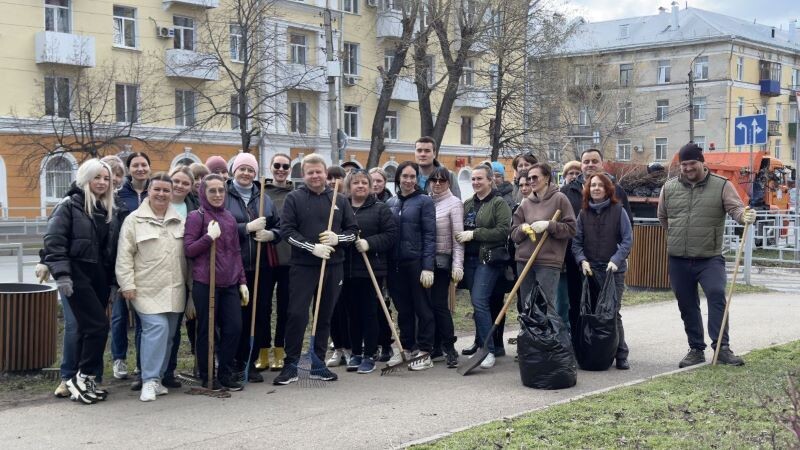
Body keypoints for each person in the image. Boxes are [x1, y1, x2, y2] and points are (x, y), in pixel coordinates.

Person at [657, 143, 756, 368]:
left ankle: (722, 348)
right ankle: (696, 349)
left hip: (709, 257)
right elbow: (663, 216)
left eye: (692, 163)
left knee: (716, 294)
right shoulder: (669, 188)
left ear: (702, 163)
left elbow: (736, 209)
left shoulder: (722, 185)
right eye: (684, 164)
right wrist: (677, 235)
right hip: (678, 258)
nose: (688, 168)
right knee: (687, 304)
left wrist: (744, 216)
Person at [273, 154, 358, 385]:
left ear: (325, 173)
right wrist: (312, 247)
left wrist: (337, 238)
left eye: (318, 171)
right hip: (303, 267)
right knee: (296, 314)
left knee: (324, 316)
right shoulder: (294, 198)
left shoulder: (339, 199)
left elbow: (353, 232)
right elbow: (287, 231)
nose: (315, 176)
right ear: (303, 175)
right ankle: (291, 365)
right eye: (310, 172)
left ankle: (318, 364)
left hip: (333, 266)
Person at [43, 158, 119, 404]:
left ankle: (86, 379)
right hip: (77, 274)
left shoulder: (107, 208)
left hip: (99, 277)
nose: (102, 182)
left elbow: (110, 249)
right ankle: (80, 377)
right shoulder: (69, 205)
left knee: (92, 329)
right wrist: (62, 275)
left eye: (106, 178)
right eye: (97, 177)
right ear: (86, 178)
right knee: (97, 326)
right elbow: (54, 241)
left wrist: (112, 281)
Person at [116, 173, 188, 401]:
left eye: (166, 190)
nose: (161, 194)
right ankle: (148, 380)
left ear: (172, 193)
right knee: (156, 329)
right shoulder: (134, 220)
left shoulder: (179, 220)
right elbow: (124, 256)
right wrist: (127, 284)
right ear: (149, 191)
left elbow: (188, 258)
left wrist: (192, 291)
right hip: (145, 289)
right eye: (157, 189)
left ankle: (158, 379)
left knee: (169, 336)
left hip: (175, 289)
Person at [561, 148, 633, 347]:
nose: (590, 165)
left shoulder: (618, 200)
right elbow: (573, 237)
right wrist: (580, 259)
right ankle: (585, 348)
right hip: (584, 266)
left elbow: (627, 234)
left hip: (611, 266)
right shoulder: (571, 197)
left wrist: (619, 257)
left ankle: (616, 351)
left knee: (611, 311)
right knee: (583, 308)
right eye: (586, 161)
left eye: (594, 161)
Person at [184, 174, 248, 391]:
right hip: (205, 282)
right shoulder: (197, 217)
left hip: (229, 283)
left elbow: (236, 252)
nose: (218, 194)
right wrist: (208, 237)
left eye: (221, 190)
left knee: (234, 328)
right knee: (207, 330)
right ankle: (207, 374)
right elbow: (189, 249)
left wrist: (242, 281)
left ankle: (225, 372)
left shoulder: (229, 218)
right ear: (203, 192)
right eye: (212, 190)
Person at [224, 152, 280, 383]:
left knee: (258, 314)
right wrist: (245, 228)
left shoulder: (264, 198)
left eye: (250, 170)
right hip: (232, 266)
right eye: (242, 169)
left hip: (260, 267)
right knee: (234, 316)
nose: (246, 173)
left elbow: (279, 226)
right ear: (234, 171)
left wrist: (272, 234)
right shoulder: (224, 195)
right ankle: (232, 362)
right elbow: (218, 226)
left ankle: (250, 361)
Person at [572, 173, 632, 370]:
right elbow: (576, 242)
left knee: (612, 312)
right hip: (590, 271)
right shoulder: (583, 214)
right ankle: (596, 351)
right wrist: (581, 260)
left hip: (613, 271)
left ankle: (621, 354)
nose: (596, 188)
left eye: (600, 185)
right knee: (592, 312)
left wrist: (616, 260)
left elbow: (627, 240)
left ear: (607, 189)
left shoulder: (618, 211)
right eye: (593, 185)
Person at [456, 164, 511, 370]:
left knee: (480, 301)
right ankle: (481, 344)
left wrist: (475, 234)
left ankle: (488, 350)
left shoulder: (498, 203)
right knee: (477, 303)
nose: (476, 182)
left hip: (488, 260)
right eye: (473, 179)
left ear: (490, 180)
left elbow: (503, 231)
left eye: (480, 178)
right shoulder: (468, 203)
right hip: (469, 260)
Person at [342, 169, 398, 374]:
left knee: (369, 312)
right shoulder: (343, 207)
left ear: (370, 186)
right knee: (352, 313)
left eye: (364, 183)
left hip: (371, 270)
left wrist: (369, 243)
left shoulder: (380, 208)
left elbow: (391, 235)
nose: (360, 186)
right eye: (356, 183)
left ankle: (369, 354)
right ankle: (356, 352)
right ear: (349, 186)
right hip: (346, 269)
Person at [385, 161, 437, 370]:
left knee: (423, 308)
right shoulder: (391, 202)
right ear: (398, 178)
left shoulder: (425, 201)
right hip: (395, 264)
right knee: (403, 309)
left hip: (416, 262)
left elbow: (430, 235)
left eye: (412, 176)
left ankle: (425, 351)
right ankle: (407, 347)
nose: (408, 180)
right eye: (404, 176)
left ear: (417, 179)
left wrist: (428, 267)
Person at [511, 162, 576, 326]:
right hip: (524, 261)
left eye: (535, 177)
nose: (531, 181)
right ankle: (529, 339)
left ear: (546, 178)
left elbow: (571, 229)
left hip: (548, 262)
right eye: (529, 178)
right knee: (527, 306)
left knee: (545, 307)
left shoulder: (560, 199)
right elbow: (513, 234)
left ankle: (547, 340)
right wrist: (522, 229)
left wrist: (549, 225)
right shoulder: (525, 203)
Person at [112, 151, 151, 386]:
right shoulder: (119, 195)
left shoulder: (154, 192)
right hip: (122, 259)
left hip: (145, 263)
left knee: (142, 316)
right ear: (129, 169)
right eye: (135, 165)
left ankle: (141, 362)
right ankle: (119, 358)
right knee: (119, 315)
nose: (140, 169)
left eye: (144, 164)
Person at [256, 153, 294, 371]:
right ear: (270, 167)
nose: (281, 169)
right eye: (277, 165)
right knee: (262, 307)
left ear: (290, 170)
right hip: (266, 259)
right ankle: (263, 351)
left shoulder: (295, 194)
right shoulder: (262, 192)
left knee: (285, 308)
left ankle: (280, 350)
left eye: (285, 166)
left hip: (289, 259)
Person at [428, 166, 464, 368]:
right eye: (434, 180)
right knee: (427, 305)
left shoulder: (454, 203)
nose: (437, 183)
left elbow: (458, 239)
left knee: (439, 304)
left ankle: (449, 347)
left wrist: (457, 265)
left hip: (442, 263)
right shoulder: (426, 202)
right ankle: (434, 346)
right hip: (424, 262)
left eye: (442, 180)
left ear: (449, 183)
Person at [326, 164, 351, 365]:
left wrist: (340, 238)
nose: (334, 182)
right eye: (330, 178)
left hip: (350, 263)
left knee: (347, 308)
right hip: (329, 261)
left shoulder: (347, 201)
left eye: (338, 178)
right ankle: (338, 347)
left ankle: (350, 348)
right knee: (331, 308)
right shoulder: (323, 200)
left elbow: (352, 229)